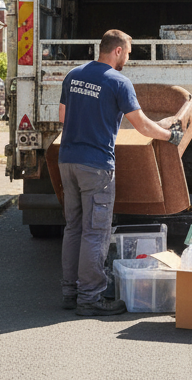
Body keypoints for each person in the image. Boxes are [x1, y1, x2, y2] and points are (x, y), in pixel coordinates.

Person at [58, 29, 183, 316]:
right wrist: (168, 135)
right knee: (95, 232)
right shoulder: (119, 82)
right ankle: (90, 298)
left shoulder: (73, 75)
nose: (128, 57)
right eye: (127, 51)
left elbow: (64, 118)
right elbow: (141, 125)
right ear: (116, 51)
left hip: (68, 160)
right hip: (96, 165)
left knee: (74, 227)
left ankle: (70, 292)